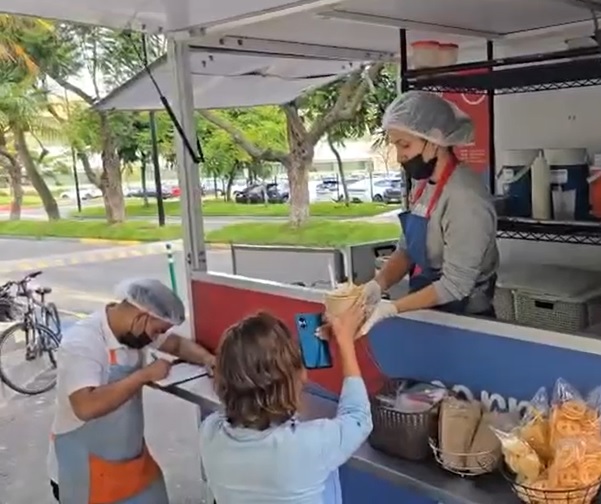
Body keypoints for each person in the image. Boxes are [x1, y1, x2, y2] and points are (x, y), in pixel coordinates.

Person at [48, 278, 216, 503]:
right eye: (157, 331)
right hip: (83, 469)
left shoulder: (134, 331)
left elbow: (176, 345)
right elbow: (85, 406)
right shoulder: (83, 343)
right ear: (141, 317)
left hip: (131, 459)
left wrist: (207, 359)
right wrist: (144, 375)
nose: (156, 338)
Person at [199, 300, 371, 504]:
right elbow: (358, 418)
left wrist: (289, 370)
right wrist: (345, 342)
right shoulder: (307, 445)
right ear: (295, 379)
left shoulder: (209, 432)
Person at [360, 91, 500, 334]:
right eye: (396, 145)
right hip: (429, 310)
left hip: (466, 320)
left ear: (434, 140)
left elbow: (455, 285)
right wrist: (377, 284)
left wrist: (392, 308)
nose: (399, 156)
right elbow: (407, 250)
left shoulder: (465, 198)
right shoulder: (423, 184)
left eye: (405, 145)